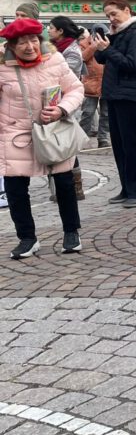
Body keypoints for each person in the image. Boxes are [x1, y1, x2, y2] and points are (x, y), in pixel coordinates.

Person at [0, 19, 85, 258]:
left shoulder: (55, 60)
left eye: (33, 40)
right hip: (15, 135)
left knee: (65, 184)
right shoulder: (2, 66)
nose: (29, 46)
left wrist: (62, 110)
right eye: (22, 42)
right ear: (11, 45)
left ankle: (72, 232)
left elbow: (76, 89)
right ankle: (26, 238)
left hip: (53, 132)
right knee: (16, 189)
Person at [93, 0, 136, 208]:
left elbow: (132, 64)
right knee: (120, 146)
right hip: (115, 94)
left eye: (114, 14)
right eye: (107, 16)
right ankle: (128, 188)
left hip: (133, 96)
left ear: (127, 10)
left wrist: (109, 50)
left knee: (134, 145)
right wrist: (105, 45)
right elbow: (102, 59)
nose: (111, 19)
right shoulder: (118, 33)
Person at [48, 16, 87, 200]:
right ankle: (60, 188)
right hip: (53, 103)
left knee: (66, 147)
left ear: (60, 31)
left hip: (67, 104)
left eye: (51, 27)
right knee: (55, 146)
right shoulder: (54, 48)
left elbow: (64, 77)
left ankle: (75, 187)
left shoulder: (72, 51)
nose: (48, 30)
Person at [78, 29, 109, 147]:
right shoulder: (84, 44)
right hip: (91, 83)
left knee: (106, 114)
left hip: (106, 82)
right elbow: (82, 58)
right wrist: (93, 47)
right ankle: (82, 138)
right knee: (88, 112)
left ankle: (103, 138)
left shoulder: (108, 42)